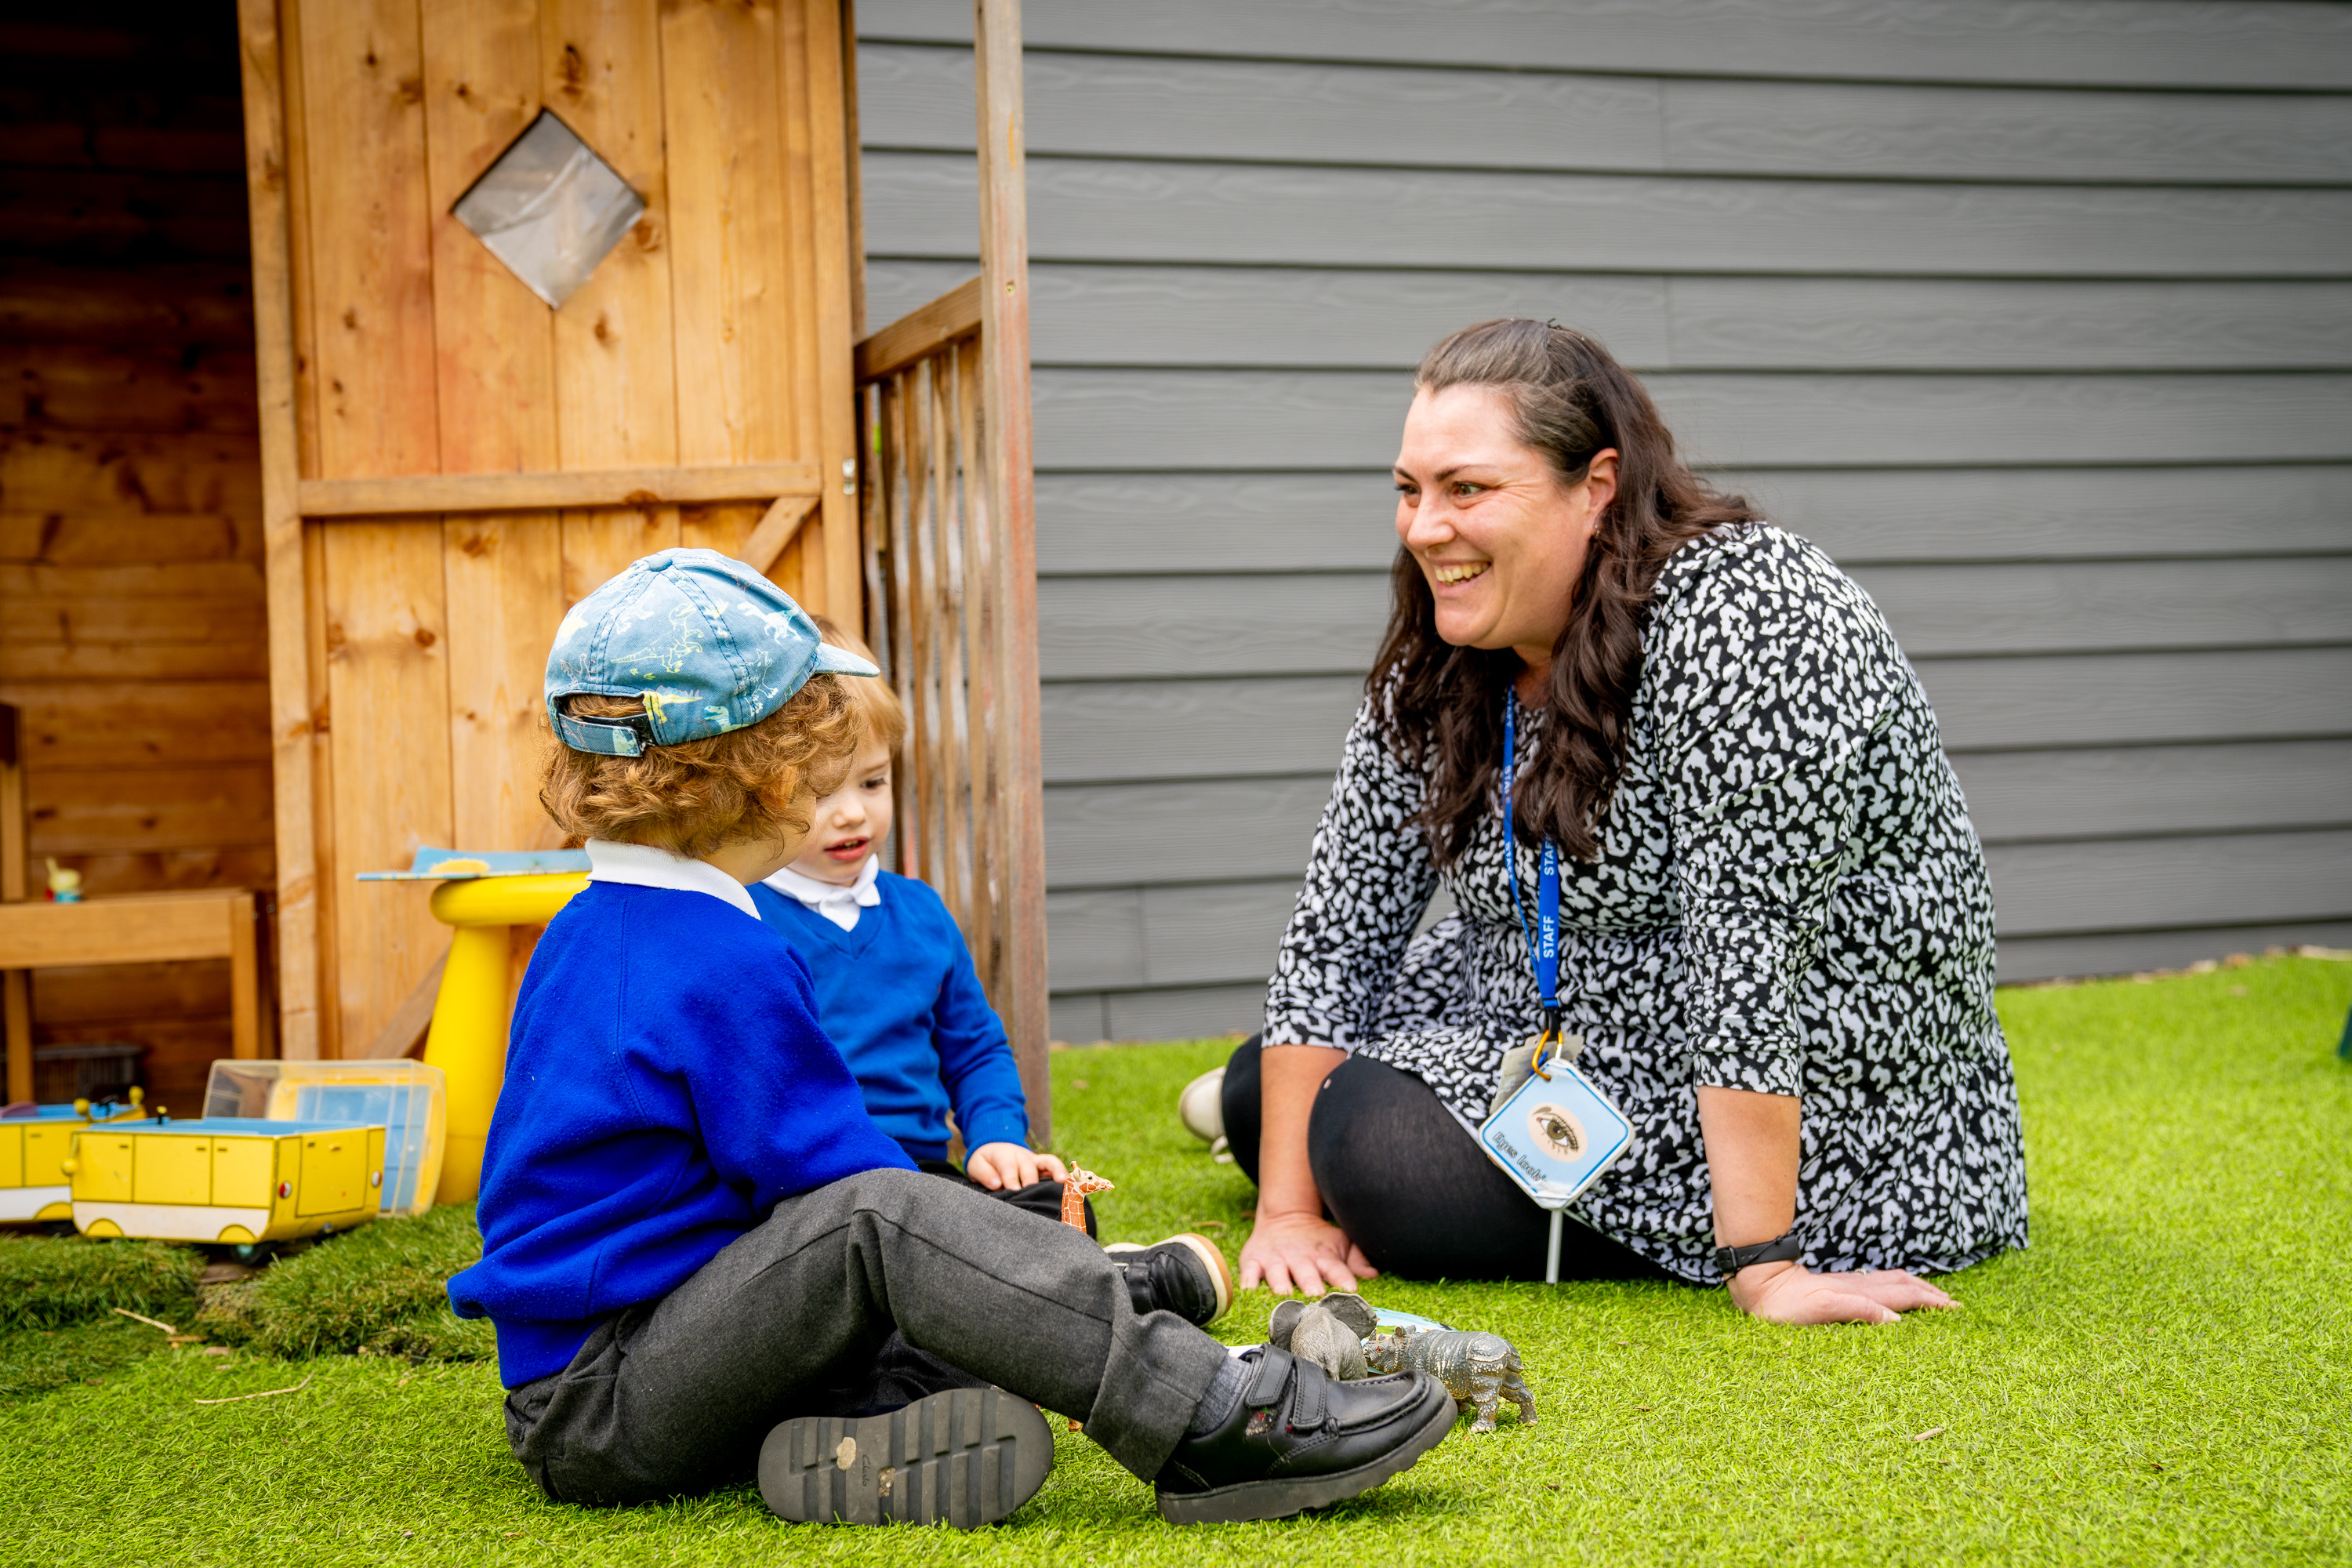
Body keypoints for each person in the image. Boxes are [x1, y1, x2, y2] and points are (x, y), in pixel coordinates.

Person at [447, 549, 1455, 1527]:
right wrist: (988, 1234)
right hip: (611, 1398)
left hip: (626, 1366)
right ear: (759, 777)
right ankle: (1209, 1413)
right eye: (810, 756)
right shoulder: (714, 954)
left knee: (947, 1264)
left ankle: (879, 1421)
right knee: (887, 1220)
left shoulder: (591, 927)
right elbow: (844, 1194)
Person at [1224, 319, 2027, 1327]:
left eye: (1466, 489)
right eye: (1409, 489)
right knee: (1274, 1085)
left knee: (1359, 1131)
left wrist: (1766, 1265)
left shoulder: (1752, 611)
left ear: (1595, 486)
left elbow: (1746, 949)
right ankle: (1263, 1128)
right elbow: (1341, 920)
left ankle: (1339, 1152)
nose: (1426, 527)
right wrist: (1289, 1213)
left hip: (1813, 1099)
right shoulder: (1451, 638)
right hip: (1552, 1029)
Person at [750, 617, 1232, 1322]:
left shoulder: (919, 913)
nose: (852, 813)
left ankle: (1058, 1288)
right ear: (763, 792)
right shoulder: (749, 924)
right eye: (820, 793)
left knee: (1041, 1204)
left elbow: (974, 1047)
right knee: (882, 1273)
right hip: (822, 1196)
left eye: (873, 781)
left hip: (930, 1177)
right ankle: (1112, 1291)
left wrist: (997, 1136)